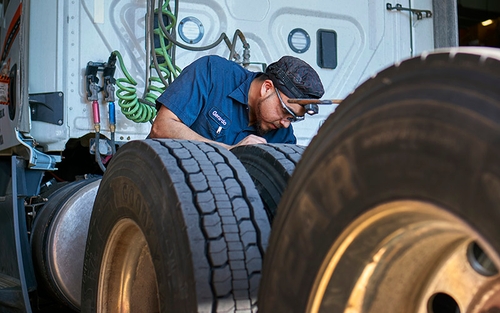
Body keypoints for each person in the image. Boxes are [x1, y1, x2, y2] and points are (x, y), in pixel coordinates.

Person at [149, 54, 324, 149]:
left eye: (293, 118)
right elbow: (162, 127)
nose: (286, 124)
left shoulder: (282, 137)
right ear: (267, 88)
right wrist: (230, 150)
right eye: (286, 112)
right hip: (154, 179)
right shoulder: (212, 72)